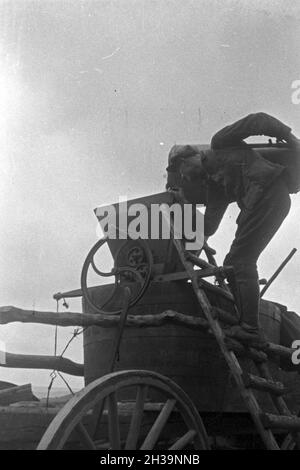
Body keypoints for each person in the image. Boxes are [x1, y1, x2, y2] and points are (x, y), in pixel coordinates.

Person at [166, 112, 299, 343]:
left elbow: (259, 120)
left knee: (241, 262)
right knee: (231, 265)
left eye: (181, 173)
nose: (185, 179)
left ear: (186, 160)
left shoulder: (221, 143)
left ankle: (250, 330)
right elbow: (209, 228)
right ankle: (246, 324)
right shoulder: (213, 189)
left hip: (270, 194)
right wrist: (185, 204)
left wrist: (291, 139)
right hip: (259, 205)